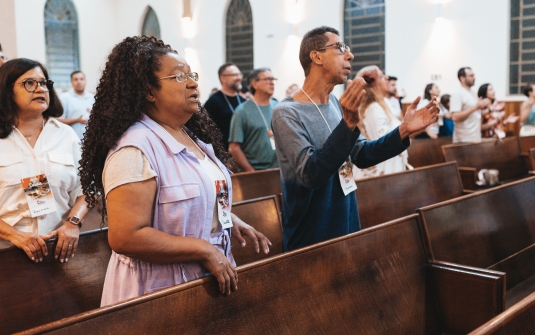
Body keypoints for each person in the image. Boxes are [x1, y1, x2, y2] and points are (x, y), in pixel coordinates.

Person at [79, 36, 271, 306]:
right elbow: (126, 236)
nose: (193, 82)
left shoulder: (192, 138)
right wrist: (203, 248)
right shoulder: (134, 148)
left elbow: (193, 197)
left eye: (192, 75)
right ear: (148, 91)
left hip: (203, 280)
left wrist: (227, 219)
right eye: (179, 77)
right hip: (155, 292)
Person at [271, 26, 439, 251]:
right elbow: (310, 174)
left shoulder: (333, 104)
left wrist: (404, 130)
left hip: (347, 221)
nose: (350, 55)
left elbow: (361, 154)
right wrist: (348, 124)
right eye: (340, 48)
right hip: (312, 233)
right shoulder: (286, 112)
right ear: (316, 56)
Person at [0, 58, 89, 263]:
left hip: (59, 250)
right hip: (7, 253)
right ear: (6, 90)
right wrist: (17, 236)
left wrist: (73, 223)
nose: (40, 89)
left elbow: (87, 189)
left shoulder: (65, 135)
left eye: (44, 83)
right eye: (29, 83)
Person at [352, 65, 410, 179]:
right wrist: (405, 131)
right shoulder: (373, 108)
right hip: (380, 174)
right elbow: (381, 143)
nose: (387, 78)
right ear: (373, 83)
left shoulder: (380, 105)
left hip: (389, 168)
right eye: (382, 76)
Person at [228, 68, 279, 172]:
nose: (272, 83)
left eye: (273, 79)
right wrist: (252, 172)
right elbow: (234, 148)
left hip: (279, 171)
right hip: (255, 172)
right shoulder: (242, 111)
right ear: (254, 84)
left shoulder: (278, 107)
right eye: (267, 79)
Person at [204, 63, 245, 150]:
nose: (239, 78)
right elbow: (206, 130)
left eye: (239, 74)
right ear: (223, 78)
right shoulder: (213, 102)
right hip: (223, 153)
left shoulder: (243, 100)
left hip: (245, 152)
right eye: (235, 75)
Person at [450, 67, 490, 143]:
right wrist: (475, 107)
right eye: (471, 76)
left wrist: (490, 109)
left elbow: (475, 114)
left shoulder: (473, 93)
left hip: (475, 137)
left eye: (473, 75)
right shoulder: (458, 94)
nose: (474, 78)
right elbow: (455, 117)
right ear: (462, 78)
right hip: (464, 138)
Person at [58, 71, 95, 140]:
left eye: (81, 79)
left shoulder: (93, 98)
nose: (79, 82)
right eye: (76, 79)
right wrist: (76, 120)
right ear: (71, 82)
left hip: (91, 140)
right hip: (71, 140)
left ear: (85, 81)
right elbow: (57, 120)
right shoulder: (64, 98)